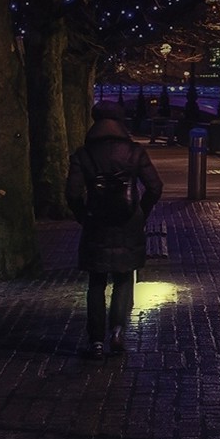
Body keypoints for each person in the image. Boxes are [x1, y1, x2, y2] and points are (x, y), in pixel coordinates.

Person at [66, 103, 162, 357]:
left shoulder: (84, 154)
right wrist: (141, 212)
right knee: (123, 278)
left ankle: (95, 341)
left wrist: (82, 215)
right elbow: (155, 186)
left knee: (96, 282)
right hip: (127, 222)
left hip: (96, 221)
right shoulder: (134, 152)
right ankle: (117, 330)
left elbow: (72, 193)